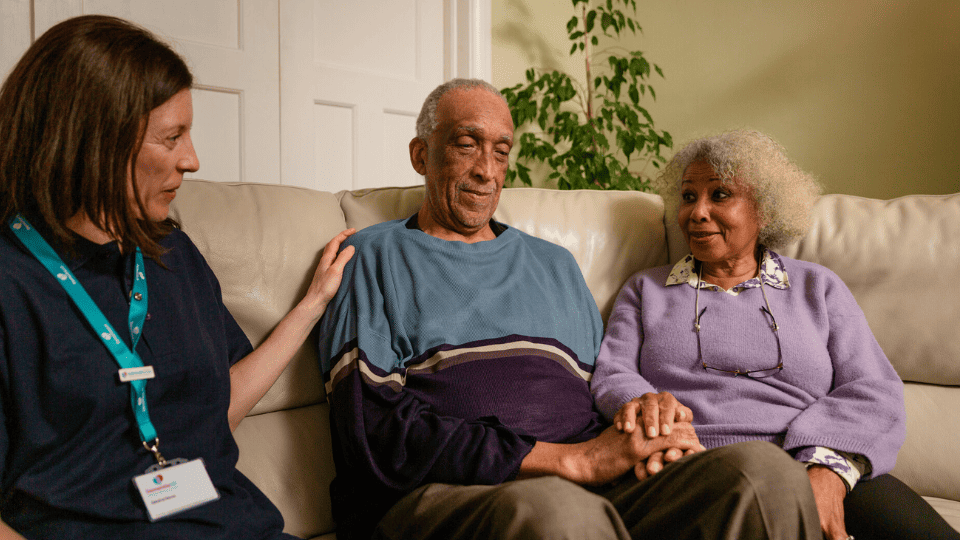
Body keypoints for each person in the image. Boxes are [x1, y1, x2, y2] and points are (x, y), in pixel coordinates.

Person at [318, 80, 823, 540]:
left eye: (501, 152)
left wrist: (647, 415)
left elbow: (604, 389)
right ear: (420, 154)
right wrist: (571, 462)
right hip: (452, 494)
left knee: (763, 474)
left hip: (595, 484)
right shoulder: (372, 257)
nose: (486, 171)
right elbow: (375, 431)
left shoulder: (554, 264)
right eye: (466, 144)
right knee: (560, 512)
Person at [0, 15, 354, 539]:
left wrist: (311, 307)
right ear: (93, 140)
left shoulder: (169, 251)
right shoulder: (12, 282)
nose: (192, 159)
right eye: (172, 137)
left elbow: (215, 410)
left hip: (236, 523)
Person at [591, 129, 960, 540]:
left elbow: (872, 387)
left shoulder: (817, 287)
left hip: (809, 457)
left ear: (763, 210)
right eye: (689, 196)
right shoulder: (646, 290)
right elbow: (611, 373)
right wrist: (642, 404)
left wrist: (827, 469)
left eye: (720, 195)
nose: (696, 212)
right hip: (693, 465)